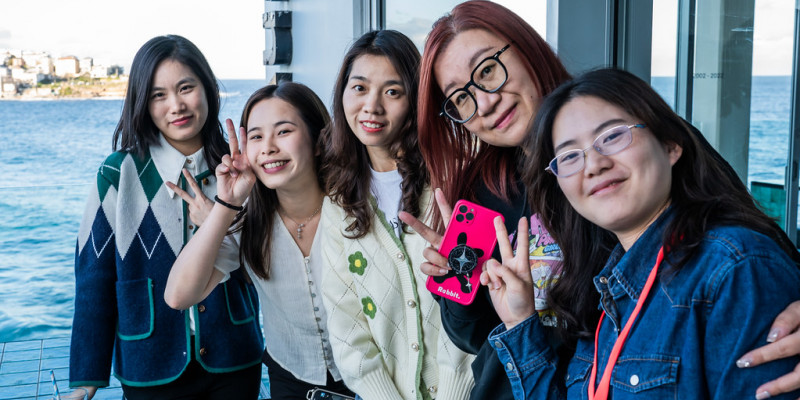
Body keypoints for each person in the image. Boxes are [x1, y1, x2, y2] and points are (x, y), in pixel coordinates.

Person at [399, 2, 800, 399]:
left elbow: (756, 260)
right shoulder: (484, 191)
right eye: (461, 99)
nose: (485, 102)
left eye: (488, 70)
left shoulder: (636, 151)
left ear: (527, 48)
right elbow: (477, 336)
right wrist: (458, 279)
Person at [483, 67, 800, 399]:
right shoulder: (604, 290)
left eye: (613, 136)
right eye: (570, 156)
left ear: (670, 145)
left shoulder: (733, 269)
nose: (594, 164)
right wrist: (520, 321)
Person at [69, 35, 263, 399]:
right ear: (143, 102)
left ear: (207, 88)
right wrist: (86, 377)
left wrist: (220, 222)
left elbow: (265, 264)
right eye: (159, 95)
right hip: (148, 362)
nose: (176, 105)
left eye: (186, 87)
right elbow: (93, 277)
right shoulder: (118, 174)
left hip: (234, 354)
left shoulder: (239, 167)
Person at [164, 83, 354, 400]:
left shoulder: (355, 209)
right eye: (255, 136)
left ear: (319, 141)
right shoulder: (248, 223)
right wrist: (225, 205)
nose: (267, 147)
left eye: (283, 132)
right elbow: (178, 296)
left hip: (375, 380)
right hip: (291, 383)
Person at [319, 30, 474, 400]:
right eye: (359, 88)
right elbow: (346, 325)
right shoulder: (339, 203)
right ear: (342, 95)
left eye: (392, 91)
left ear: (416, 101)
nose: (371, 106)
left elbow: (472, 299)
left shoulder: (453, 181)